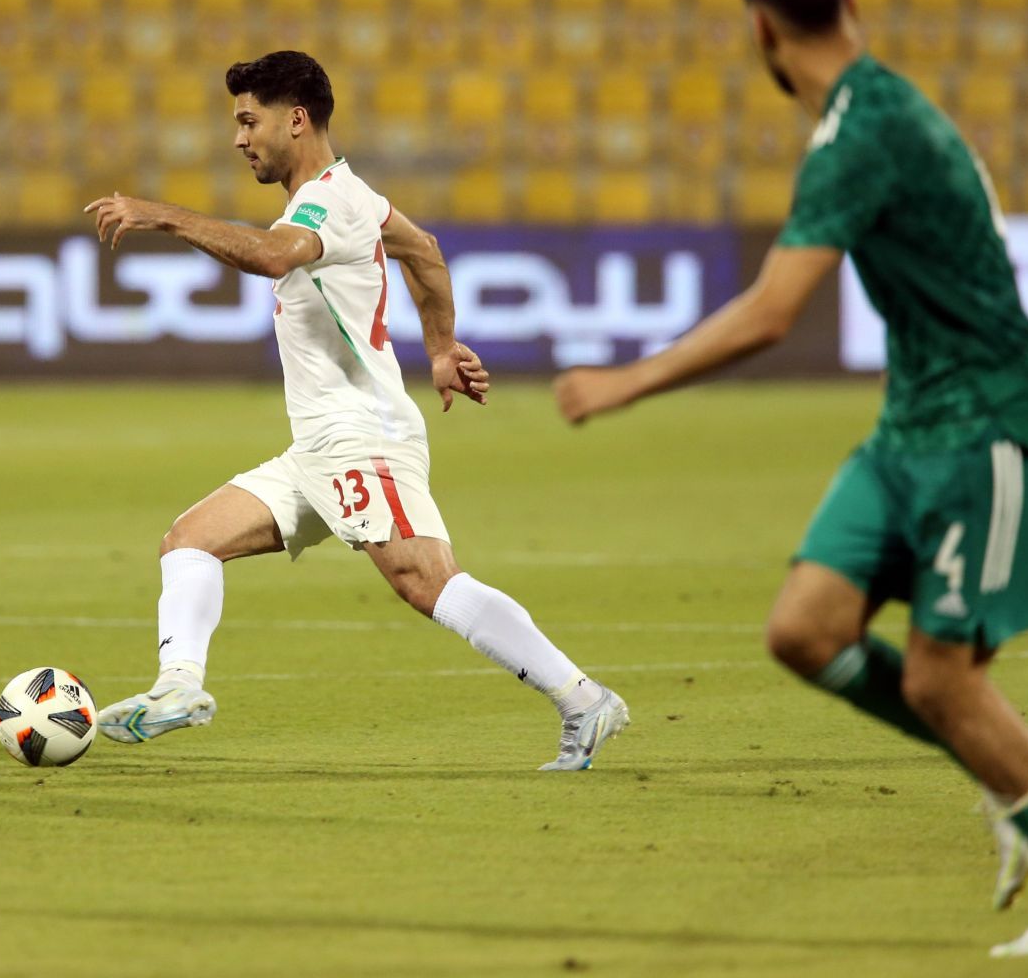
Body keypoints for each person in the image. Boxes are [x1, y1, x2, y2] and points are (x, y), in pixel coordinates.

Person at [553, 0, 1028, 957]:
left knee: (942, 681)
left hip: (989, 425)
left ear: (761, 28)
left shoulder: (865, 133)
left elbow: (774, 311)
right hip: (911, 422)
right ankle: (1013, 774)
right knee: (805, 630)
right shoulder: (880, 113)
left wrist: (623, 380)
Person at [84, 51, 627, 770]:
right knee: (189, 541)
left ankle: (584, 699)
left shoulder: (327, 204)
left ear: (297, 120)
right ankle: (179, 688)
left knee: (426, 581)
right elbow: (425, 252)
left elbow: (276, 258)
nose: (239, 138)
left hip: (362, 440)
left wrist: (164, 215)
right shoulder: (355, 196)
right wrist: (440, 348)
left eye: (250, 121)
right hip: (317, 447)